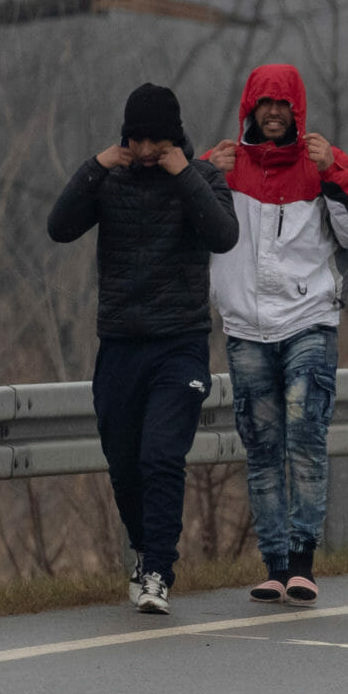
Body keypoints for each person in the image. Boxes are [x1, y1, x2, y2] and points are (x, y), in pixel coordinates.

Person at [48, 82, 239, 614]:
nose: (148, 149)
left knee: (161, 456)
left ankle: (157, 568)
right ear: (126, 138)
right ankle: (143, 551)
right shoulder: (108, 180)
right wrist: (94, 165)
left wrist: (185, 174)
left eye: (158, 140)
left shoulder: (201, 179)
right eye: (138, 139)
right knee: (124, 462)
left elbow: (224, 235)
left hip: (179, 344)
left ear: (174, 140)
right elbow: (59, 227)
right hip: (120, 343)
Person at [201, 63, 348, 604]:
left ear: (298, 110)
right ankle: (275, 566)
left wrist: (335, 174)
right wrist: (203, 174)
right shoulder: (223, 168)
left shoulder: (323, 162)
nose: (274, 112)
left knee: (305, 439)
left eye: (284, 104)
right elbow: (178, 221)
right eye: (265, 104)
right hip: (246, 329)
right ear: (250, 110)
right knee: (261, 448)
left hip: (309, 323)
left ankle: (303, 563)